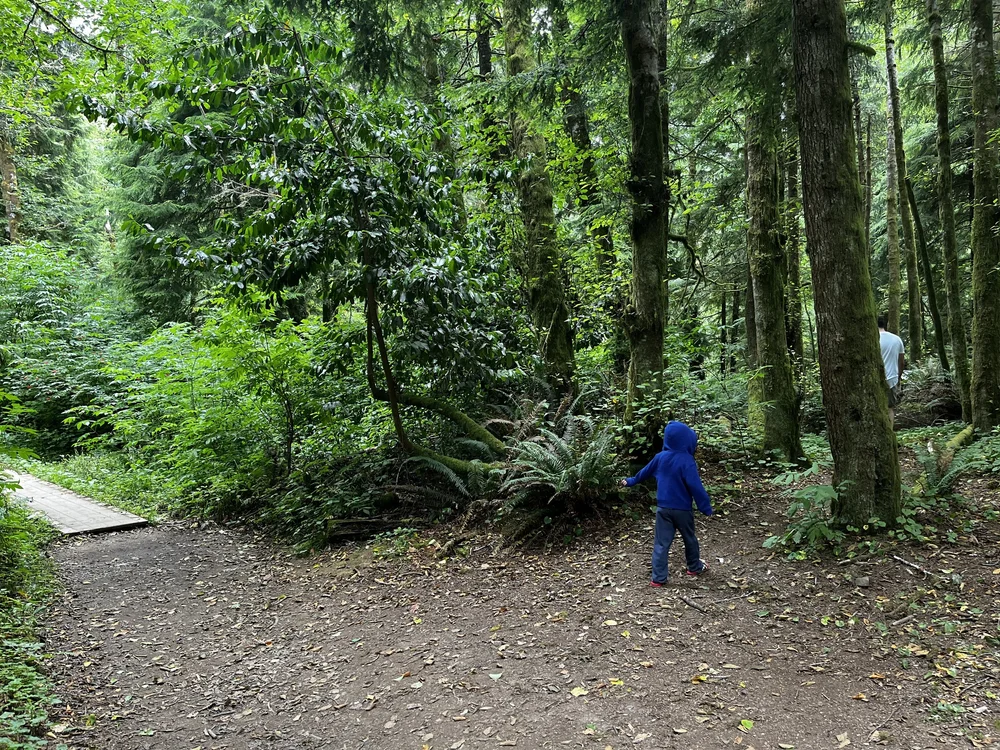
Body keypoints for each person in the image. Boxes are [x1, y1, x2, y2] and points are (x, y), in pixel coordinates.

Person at [620, 421, 712, 587]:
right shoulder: (687, 460)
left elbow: (643, 473)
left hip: (663, 509)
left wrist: (630, 481)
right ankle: (694, 567)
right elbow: (695, 486)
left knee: (661, 544)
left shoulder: (660, 458)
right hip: (683, 510)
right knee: (690, 539)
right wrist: (705, 507)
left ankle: (658, 578)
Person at [878, 315, 906, 427]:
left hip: (875, 379)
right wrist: (898, 378)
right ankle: (890, 432)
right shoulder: (896, 339)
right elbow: (902, 362)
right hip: (892, 378)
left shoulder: (870, 340)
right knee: (890, 408)